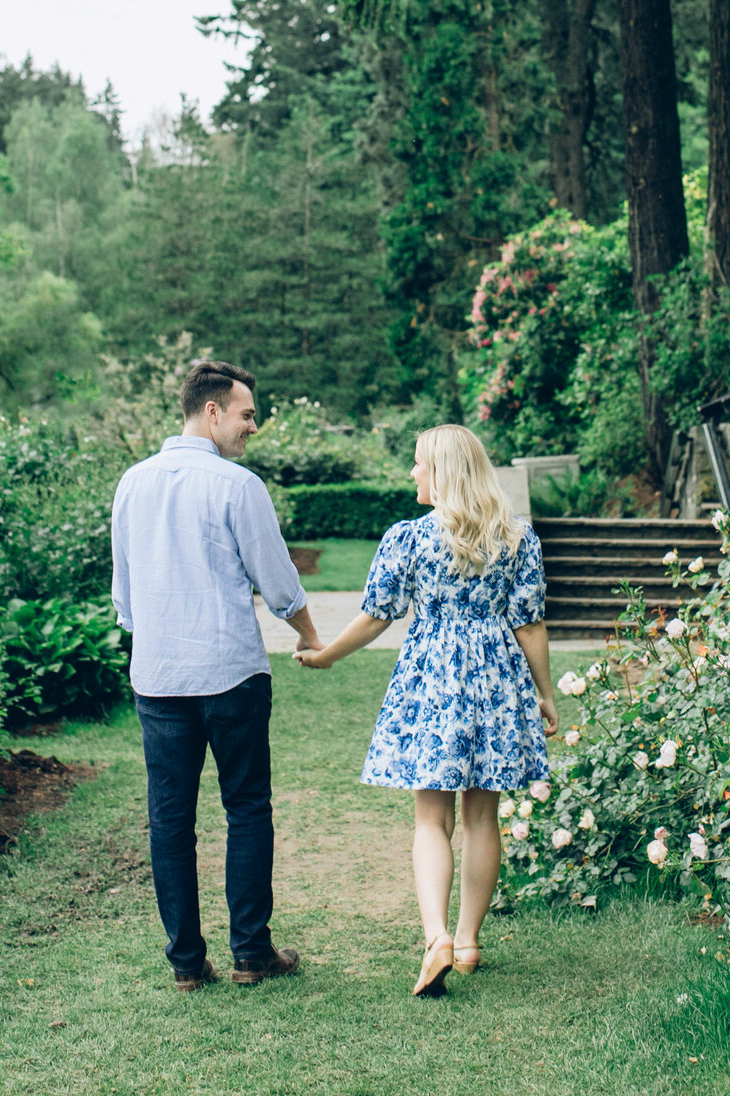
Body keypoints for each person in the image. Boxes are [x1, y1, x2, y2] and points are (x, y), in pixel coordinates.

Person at [295, 423, 557, 996]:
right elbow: (530, 623)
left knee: (429, 820)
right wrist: (544, 692)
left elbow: (376, 616)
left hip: (433, 682)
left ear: (442, 471)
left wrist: (328, 655)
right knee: (481, 818)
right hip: (496, 679)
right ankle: (466, 944)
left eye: (419, 463)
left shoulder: (408, 539)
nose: (413, 472)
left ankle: (434, 935)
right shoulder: (517, 538)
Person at [111, 358, 324, 990]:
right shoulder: (238, 486)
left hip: (158, 679)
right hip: (230, 672)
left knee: (170, 819)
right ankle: (252, 955)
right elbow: (278, 580)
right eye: (247, 413)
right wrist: (312, 637)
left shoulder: (132, 483)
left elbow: (124, 598)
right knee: (247, 808)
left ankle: (185, 965)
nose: (251, 426)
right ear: (212, 411)